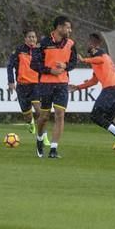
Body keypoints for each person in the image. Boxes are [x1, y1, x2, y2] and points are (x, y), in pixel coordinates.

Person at [69, 33, 115, 153]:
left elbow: (101, 59)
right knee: (106, 119)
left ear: (94, 44)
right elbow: (94, 81)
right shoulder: (97, 59)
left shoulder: (100, 53)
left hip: (112, 88)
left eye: (89, 43)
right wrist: (78, 87)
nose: (87, 45)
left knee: (95, 116)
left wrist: (84, 60)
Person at [30, 16, 77, 158]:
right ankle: (39, 138)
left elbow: (74, 62)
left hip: (62, 84)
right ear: (59, 27)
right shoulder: (43, 43)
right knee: (44, 117)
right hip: (45, 84)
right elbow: (34, 64)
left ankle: (53, 149)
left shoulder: (71, 44)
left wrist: (66, 66)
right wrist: (50, 71)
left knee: (60, 114)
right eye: (67, 27)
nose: (70, 30)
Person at [7, 29, 49, 145]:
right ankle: (30, 123)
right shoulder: (19, 51)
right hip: (22, 86)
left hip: (36, 84)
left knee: (40, 111)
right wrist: (11, 81)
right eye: (29, 37)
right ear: (25, 39)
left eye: (34, 37)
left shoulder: (40, 51)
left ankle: (44, 137)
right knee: (27, 115)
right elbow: (10, 66)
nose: (32, 39)